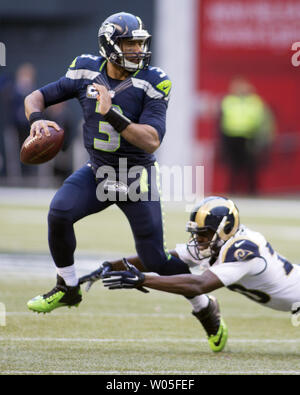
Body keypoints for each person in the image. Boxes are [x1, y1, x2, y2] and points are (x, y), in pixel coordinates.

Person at [25, 12, 192, 315]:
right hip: (97, 172)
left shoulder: (153, 81)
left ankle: (204, 302)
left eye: (139, 44)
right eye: (129, 45)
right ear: (110, 45)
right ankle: (67, 288)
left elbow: (152, 139)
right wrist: (37, 121)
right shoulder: (86, 70)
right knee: (59, 212)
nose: (138, 51)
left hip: (134, 179)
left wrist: (111, 112)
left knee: (154, 260)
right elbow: (35, 97)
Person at [79, 196, 300, 349]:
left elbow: (199, 285)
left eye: (203, 234)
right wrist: (111, 265)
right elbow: (164, 258)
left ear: (223, 230)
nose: (197, 241)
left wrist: (143, 280)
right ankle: (206, 310)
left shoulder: (244, 250)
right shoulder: (221, 242)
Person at [218, 76, 275, 195]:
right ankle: (232, 191)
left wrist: (263, 137)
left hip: (249, 137)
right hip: (231, 136)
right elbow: (221, 120)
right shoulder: (228, 101)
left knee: (251, 166)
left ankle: (252, 192)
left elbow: (264, 120)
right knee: (233, 166)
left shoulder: (255, 101)